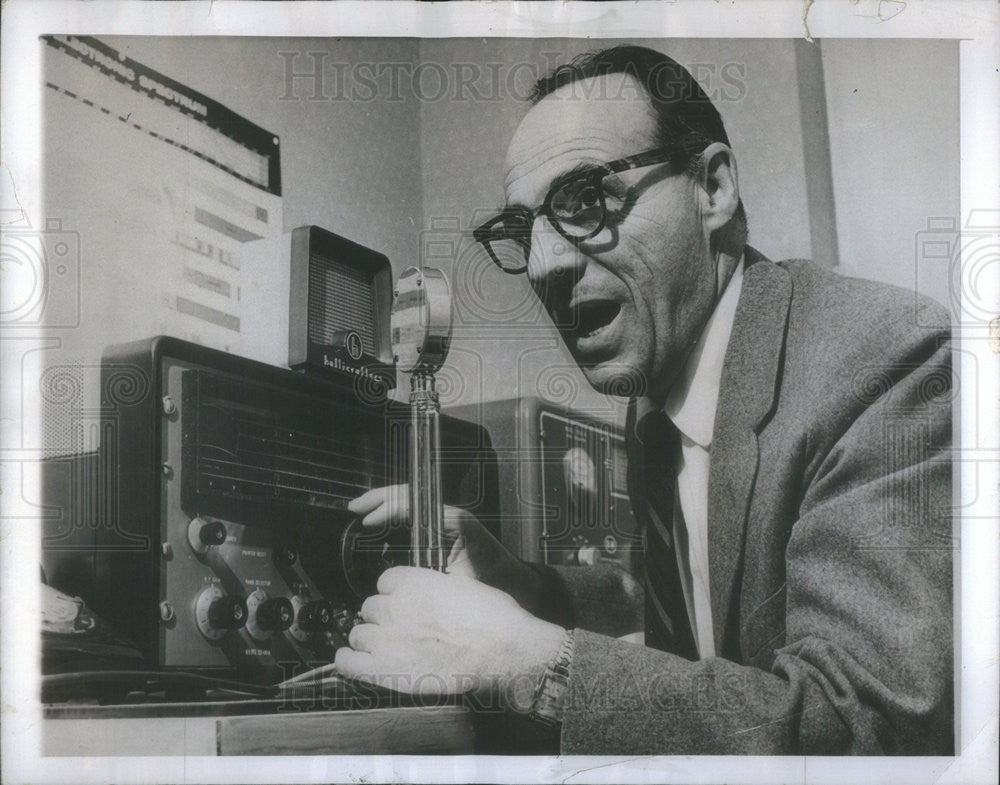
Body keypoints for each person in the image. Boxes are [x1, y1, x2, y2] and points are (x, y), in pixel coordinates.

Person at [336, 45, 953, 755]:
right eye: (521, 230)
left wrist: (533, 662)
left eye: (585, 200)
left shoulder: (884, 360)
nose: (544, 265)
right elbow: (684, 608)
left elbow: (872, 725)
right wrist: (520, 585)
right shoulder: (659, 399)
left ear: (712, 188)